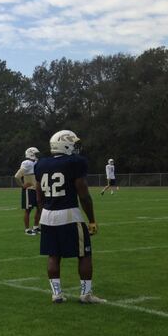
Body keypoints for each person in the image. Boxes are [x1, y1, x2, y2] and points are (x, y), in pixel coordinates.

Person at [35, 130, 105, 304]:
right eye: (73, 144)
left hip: (47, 215)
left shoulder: (41, 164)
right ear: (65, 144)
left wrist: (45, 212)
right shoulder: (76, 162)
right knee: (84, 254)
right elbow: (83, 195)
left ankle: (56, 294)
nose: (75, 148)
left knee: (53, 255)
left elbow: (39, 196)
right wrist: (92, 220)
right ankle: (86, 294)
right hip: (69, 214)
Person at [15, 147, 41, 235]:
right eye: (36, 154)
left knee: (39, 208)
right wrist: (22, 185)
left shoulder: (36, 162)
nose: (37, 156)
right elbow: (17, 176)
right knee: (28, 210)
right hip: (29, 190)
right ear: (31, 154)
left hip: (37, 189)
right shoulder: (27, 163)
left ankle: (36, 227)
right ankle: (27, 229)